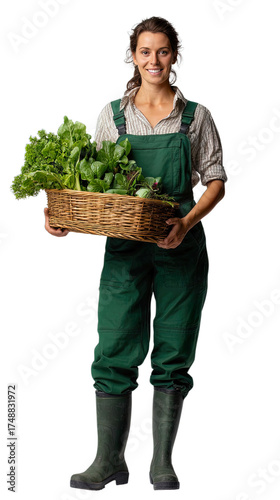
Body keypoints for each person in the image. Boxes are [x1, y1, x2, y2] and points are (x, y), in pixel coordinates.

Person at [44, 16, 227, 491]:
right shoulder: (114, 116)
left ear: (174, 56)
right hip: (126, 247)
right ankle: (109, 461)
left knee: (173, 348)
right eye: (145, 52)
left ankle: (161, 463)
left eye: (162, 52)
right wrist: (62, 216)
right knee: (115, 345)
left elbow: (216, 181)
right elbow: (95, 183)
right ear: (133, 55)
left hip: (180, 245)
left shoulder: (195, 116)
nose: (153, 61)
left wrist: (186, 223)